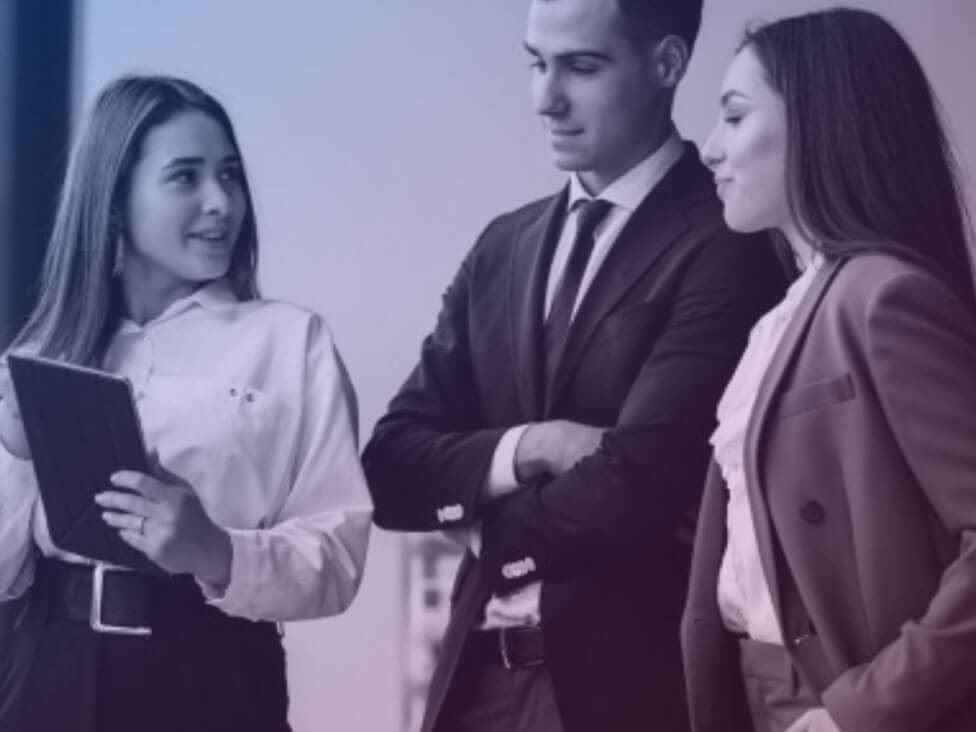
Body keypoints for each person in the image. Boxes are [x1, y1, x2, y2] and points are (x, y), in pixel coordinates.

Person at [362, 0, 786, 729]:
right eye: (537, 63)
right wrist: (533, 446)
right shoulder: (503, 246)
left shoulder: (730, 240)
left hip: (629, 693)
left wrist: (486, 529)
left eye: (581, 67)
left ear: (668, 64)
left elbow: (640, 480)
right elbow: (391, 467)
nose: (544, 98)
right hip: (473, 686)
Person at [0, 75, 373, 732]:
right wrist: (16, 456)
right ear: (114, 203)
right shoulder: (42, 354)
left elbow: (337, 560)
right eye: (186, 177)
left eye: (229, 176)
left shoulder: (289, 340)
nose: (220, 203)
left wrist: (216, 551)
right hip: (48, 673)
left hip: (211, 675)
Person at [682, 8, 976, 732]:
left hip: (840, 696)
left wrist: (862, 710)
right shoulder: (782, 317)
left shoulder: (885, 296)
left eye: (735, 116)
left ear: (819, 122)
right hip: (754, 691)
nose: (712, 150)